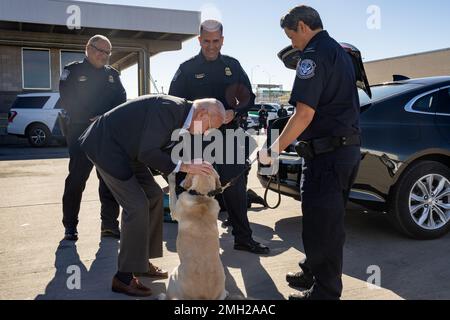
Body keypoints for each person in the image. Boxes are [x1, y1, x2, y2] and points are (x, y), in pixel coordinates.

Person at [259, 5, 361, 300]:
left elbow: (303, 114)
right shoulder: (339, 52)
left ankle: (325, 293)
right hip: (342, 153)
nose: (292, 43)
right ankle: (313, 270)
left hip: (328, 157)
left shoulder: (313, 55)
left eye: (291, 36)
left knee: (324, 227)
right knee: (322, 222)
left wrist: (272, 151)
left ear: (302, 26)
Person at [79, 95, 226, 297]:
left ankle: (140, 262)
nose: (207, 133)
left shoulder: (182, 116)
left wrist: (189, 166)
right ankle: (122, 279)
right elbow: (149, 152)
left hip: (130, 150)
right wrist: (184, 166)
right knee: (137, 206)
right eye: (209, 127)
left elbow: (161, 150)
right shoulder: (169, 110)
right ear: (202, 113)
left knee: (154, 196)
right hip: (107, 148)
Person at [169, 20, 269, 254]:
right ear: (199, 40)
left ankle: (243, 237)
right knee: (192, 189)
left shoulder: (233, 66)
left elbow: (248, 98)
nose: (211, 46)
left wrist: (235, 111)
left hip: (229, 136)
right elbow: (173, 103)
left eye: (215, 41)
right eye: (206, 41)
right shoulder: (187, 68)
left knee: (235, 188)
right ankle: (191, 241)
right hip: (196, 139)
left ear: (222, 40)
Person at [59, 35, 125, 241]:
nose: (103, 55)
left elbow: (121, 100)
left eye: (107, 52)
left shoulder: (113, 74)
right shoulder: (73, 70)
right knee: (77, 179)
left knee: (108, 180)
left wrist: (104, 118)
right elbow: (67, 98)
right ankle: (70, 225)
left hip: (106, 133)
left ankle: (109, 225)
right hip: (81, 132)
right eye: (99, 50)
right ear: (88, 48)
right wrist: (90, 118)